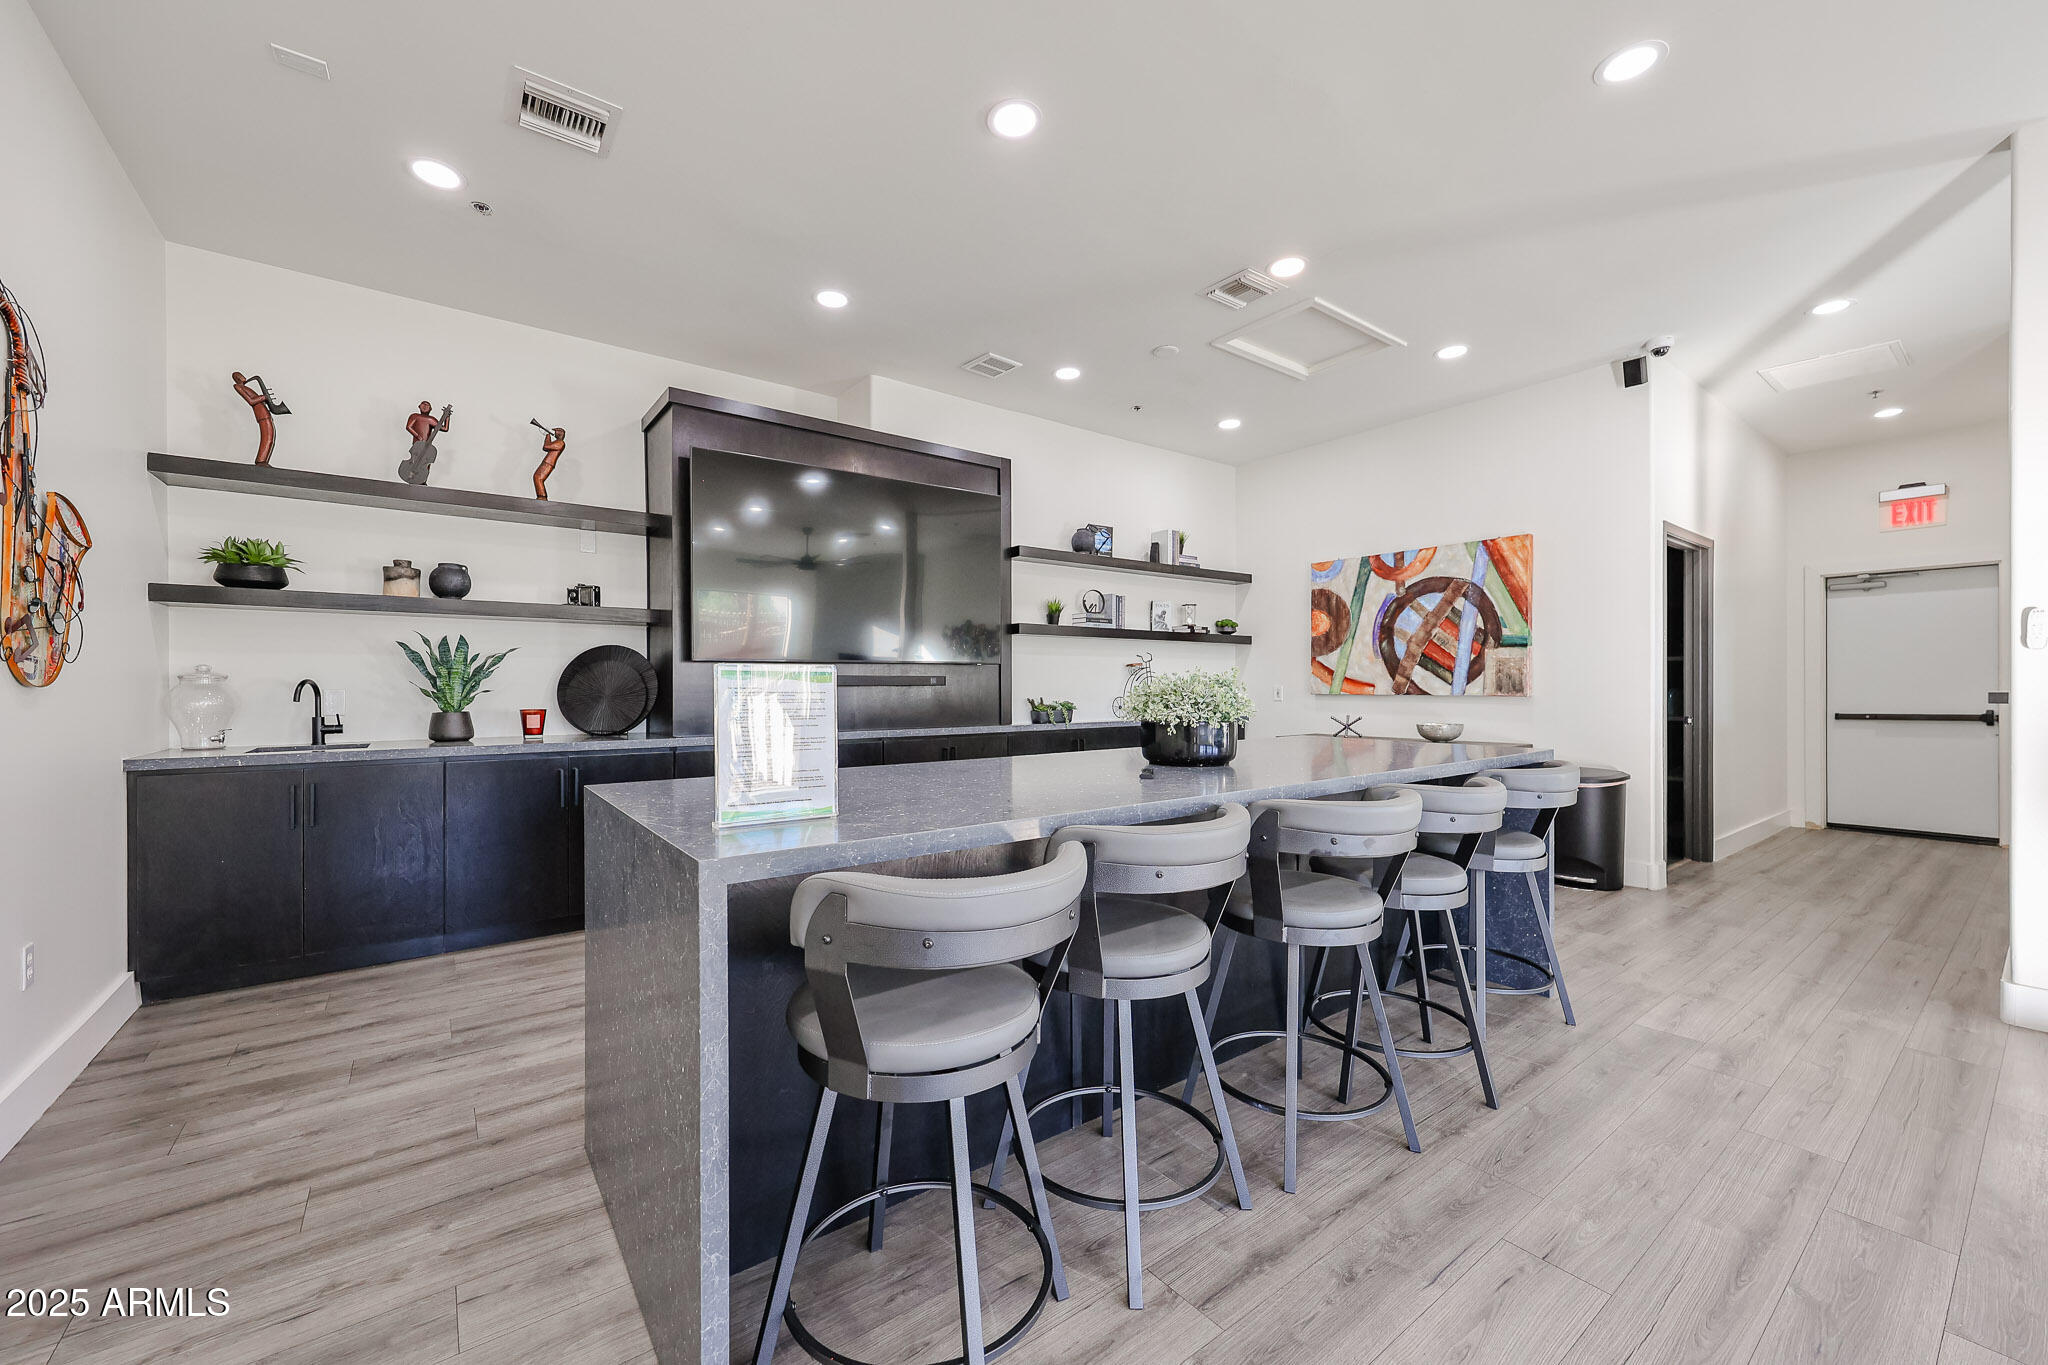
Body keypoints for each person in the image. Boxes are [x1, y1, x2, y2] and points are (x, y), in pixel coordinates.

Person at [231, 372, 280, 465]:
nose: (243, 376)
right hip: (261, 415)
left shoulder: (244, 387)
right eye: (240, 375)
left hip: (264, 414)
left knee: (270, 439)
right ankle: (261, 461)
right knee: (268, 438)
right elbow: (251, 401)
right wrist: (264, 397)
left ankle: (263, 460)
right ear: (237, 378)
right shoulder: (238, 387)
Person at [532, 422, 566, 500]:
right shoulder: (558, 442)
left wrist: (548, 435)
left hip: (549, 463)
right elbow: (545, 447)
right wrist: (548, 435)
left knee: (538, 477)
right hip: (548, 462)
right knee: (537, 477)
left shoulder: (560, 443)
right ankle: (541, 496)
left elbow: (546, 446)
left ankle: (542, 496)